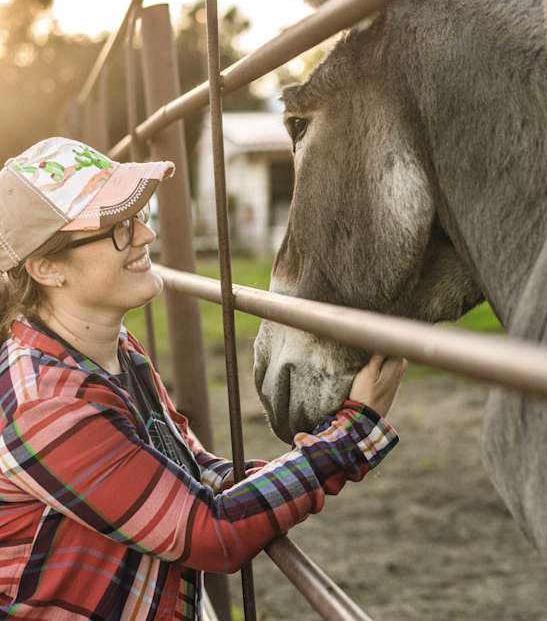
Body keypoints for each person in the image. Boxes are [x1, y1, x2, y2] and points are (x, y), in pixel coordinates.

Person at [0, 137, 406, 619]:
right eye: (117, 228)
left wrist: (278, 473)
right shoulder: (47, 404)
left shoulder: (108, 348)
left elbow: (188, 471)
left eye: (139, 215)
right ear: (47, 268)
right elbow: (210, 535)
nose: (145, 237)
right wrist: (351, 433)